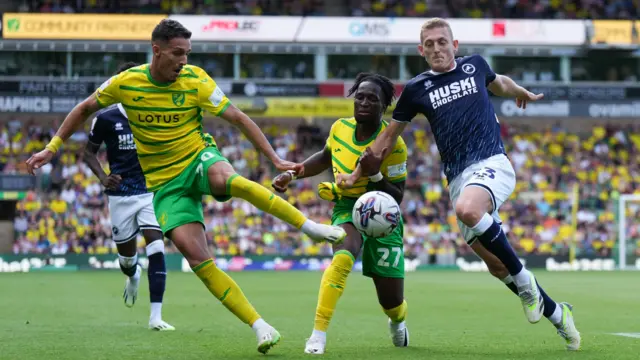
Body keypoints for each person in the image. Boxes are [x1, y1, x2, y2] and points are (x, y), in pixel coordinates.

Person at [26, 19, 346, 354]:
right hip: (165, 184)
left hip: (197, 157)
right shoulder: (126, 83)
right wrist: (52, 147)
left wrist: (275, 160)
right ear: (157, 50)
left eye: (187, 54)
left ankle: (309, 227)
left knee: (230, 180)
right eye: (178, 53)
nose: (184, 61)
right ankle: (260, 326)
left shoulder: (196, 80)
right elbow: (84, 107)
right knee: (198, 259)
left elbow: (237, 117)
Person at [334, 18, 580, 351]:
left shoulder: (474, 66)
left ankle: (526, 285)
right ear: (421, 51)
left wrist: (519, 91)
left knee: (468, 210)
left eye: (442, 41)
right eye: (430, 44)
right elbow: (387, 140)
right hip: (459, 179)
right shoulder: (417, 89)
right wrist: (354, 174)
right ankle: (557, 313)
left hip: (492, 162)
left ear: (455, 45)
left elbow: (499, 83)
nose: (437, 48)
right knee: (495, 264)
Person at [272, 73, 409, 355]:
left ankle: (397, 322)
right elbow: (325, 156)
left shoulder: (394, 144)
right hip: (348, 207)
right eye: (360, 96)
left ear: (384, 106)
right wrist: (292, 173)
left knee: (392, 302)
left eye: (373, 98)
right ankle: (318, 334)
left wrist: (375, 174)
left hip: (384, 218)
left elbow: (397, 196)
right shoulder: (339, 128)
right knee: (343, 257)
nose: (364, 102)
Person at [83, 62, 174, 331]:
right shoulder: (106, 118)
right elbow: (88, 153)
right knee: (127, 261)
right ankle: (133, 274)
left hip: (150, 191)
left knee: (156, 247)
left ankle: (155, 317)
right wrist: (103, 177)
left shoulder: (155, 114)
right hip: (120, 195)